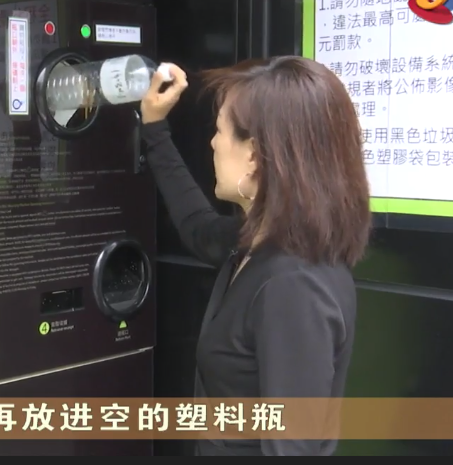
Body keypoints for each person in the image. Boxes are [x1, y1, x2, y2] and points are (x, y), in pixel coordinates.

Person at [139, 56, 371, 456]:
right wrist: (154, 128)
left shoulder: (293, 287)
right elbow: (198, 228)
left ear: (254, 155)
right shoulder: (259, 243)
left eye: (220, 131)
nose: (213, 143)